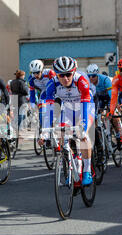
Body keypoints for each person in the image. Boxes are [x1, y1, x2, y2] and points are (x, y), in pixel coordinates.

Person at [40, 56, 95, 186]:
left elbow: (85, 107)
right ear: (56, 75)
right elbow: (49, 110)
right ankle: (72, 163)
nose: (65, 78)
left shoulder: (81, 81)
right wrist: (45, 132)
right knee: (61, 134)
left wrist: (83, 126)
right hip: (68, 110)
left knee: (83, 135)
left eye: (68, 74)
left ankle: (86, 170)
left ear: (74, 72)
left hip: (85, 108)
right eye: (61, 75)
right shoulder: (52, 84)